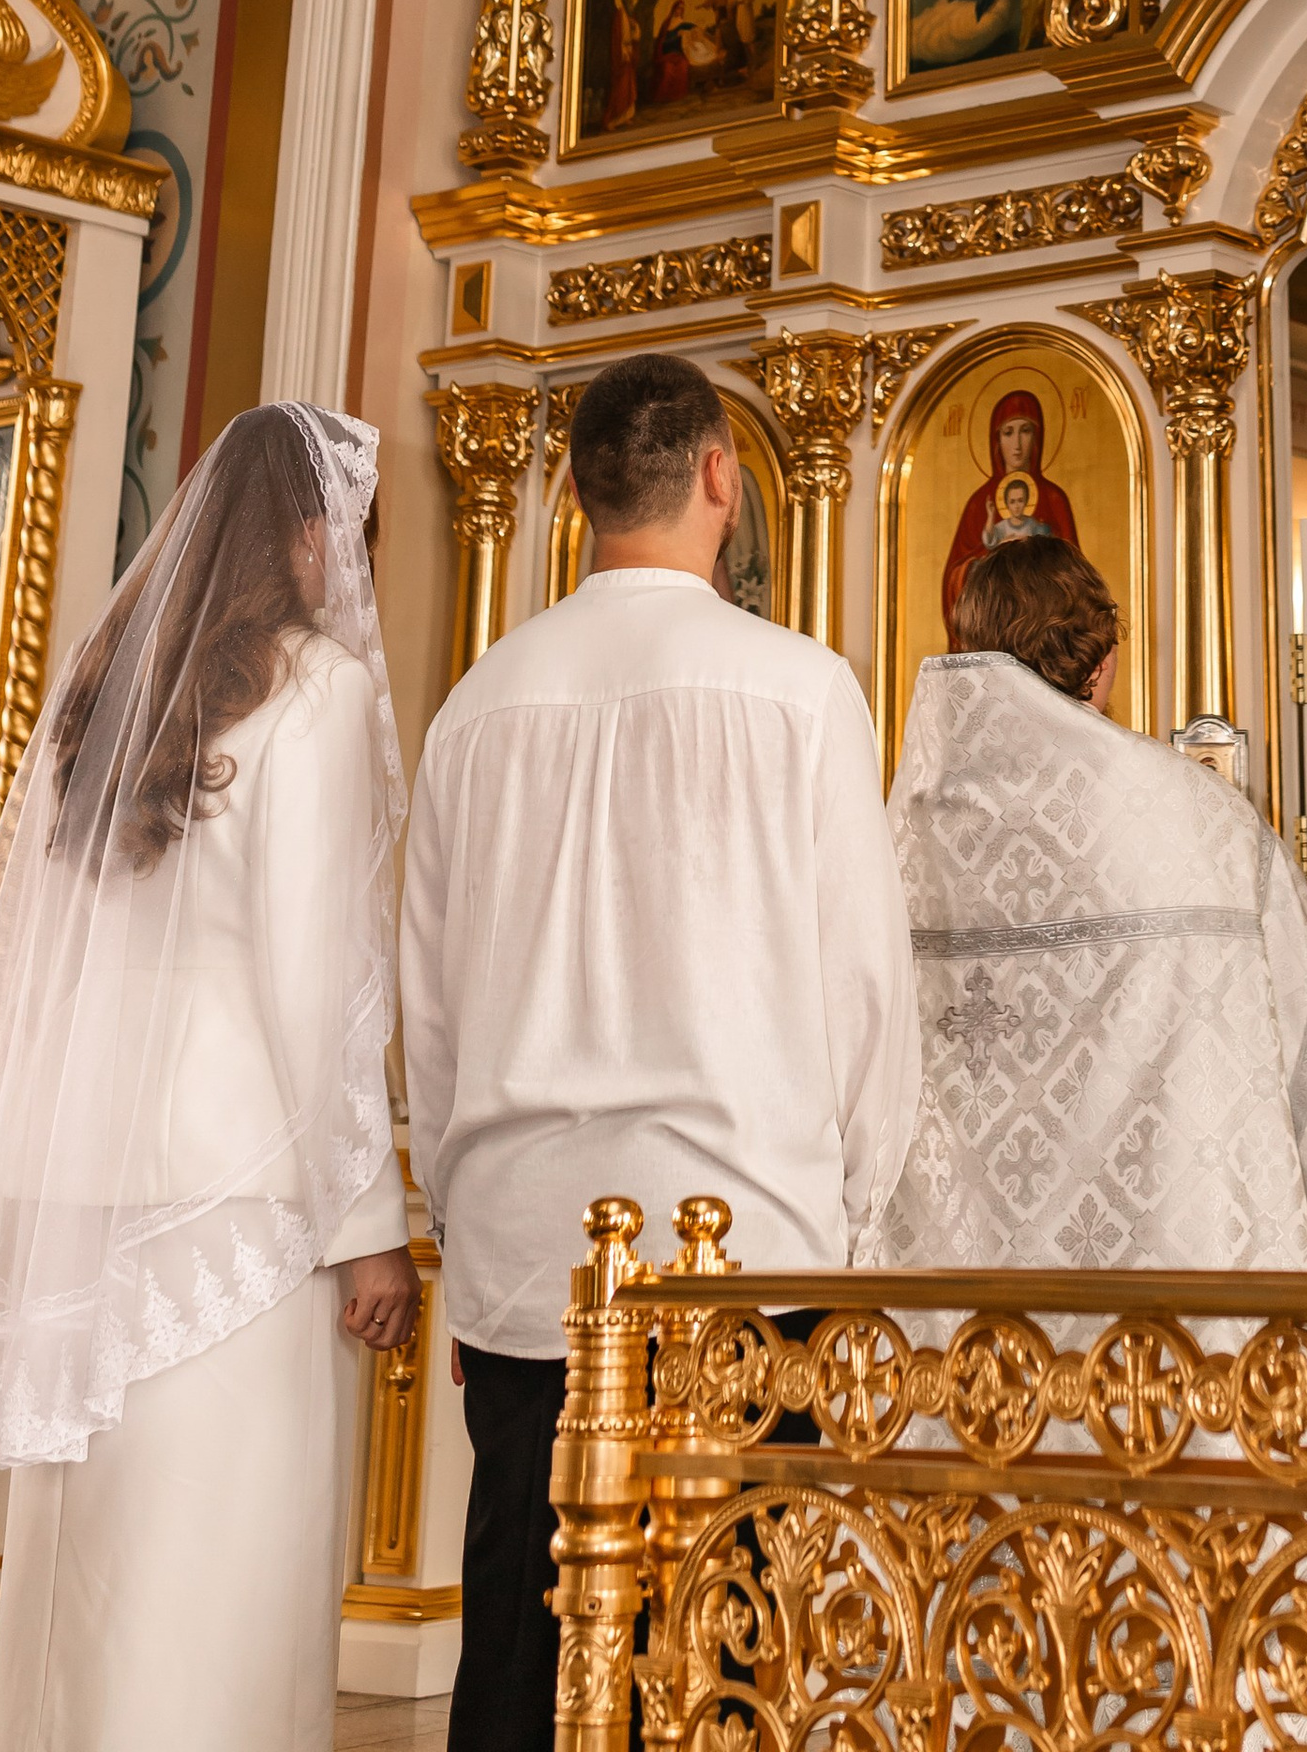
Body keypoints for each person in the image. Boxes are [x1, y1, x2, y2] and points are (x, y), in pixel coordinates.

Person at [0, 404, 417, 1752]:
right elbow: (313, 982)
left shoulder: (110, 692)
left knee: (91, 1569)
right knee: (219, 1570)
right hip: (235, 1201)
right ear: (308, 539)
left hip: (81, 1174)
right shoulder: (320, 693)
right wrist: (371, 1231)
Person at [401, 353, 917, 1752]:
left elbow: (429, 1013)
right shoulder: (800, 688)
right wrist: (854, 1236)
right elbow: (863, 990)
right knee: (731, 1637)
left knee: (522, 1623)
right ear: (719, 480)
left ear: (572, 492)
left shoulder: (475, 706)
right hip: (740, 1238)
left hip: (527, 1249)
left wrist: (466, 1229)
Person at [872, 535, 1307, 1277]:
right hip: (1166, 1253)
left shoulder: (906, 829)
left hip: (960, 1272)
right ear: (1103, 659)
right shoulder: (1200, 817)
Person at [938, 387, 1080, 630]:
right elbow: (955, 576)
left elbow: (1075, 577)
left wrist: (1035, 553)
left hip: (1044, 627)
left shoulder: (1054, 498)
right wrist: (994, 559)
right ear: (997, 440)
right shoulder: (980, 502)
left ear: (1037, 437)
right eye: (1008, 432)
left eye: (1025, 431)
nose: (1016, 444)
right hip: (993, 625)